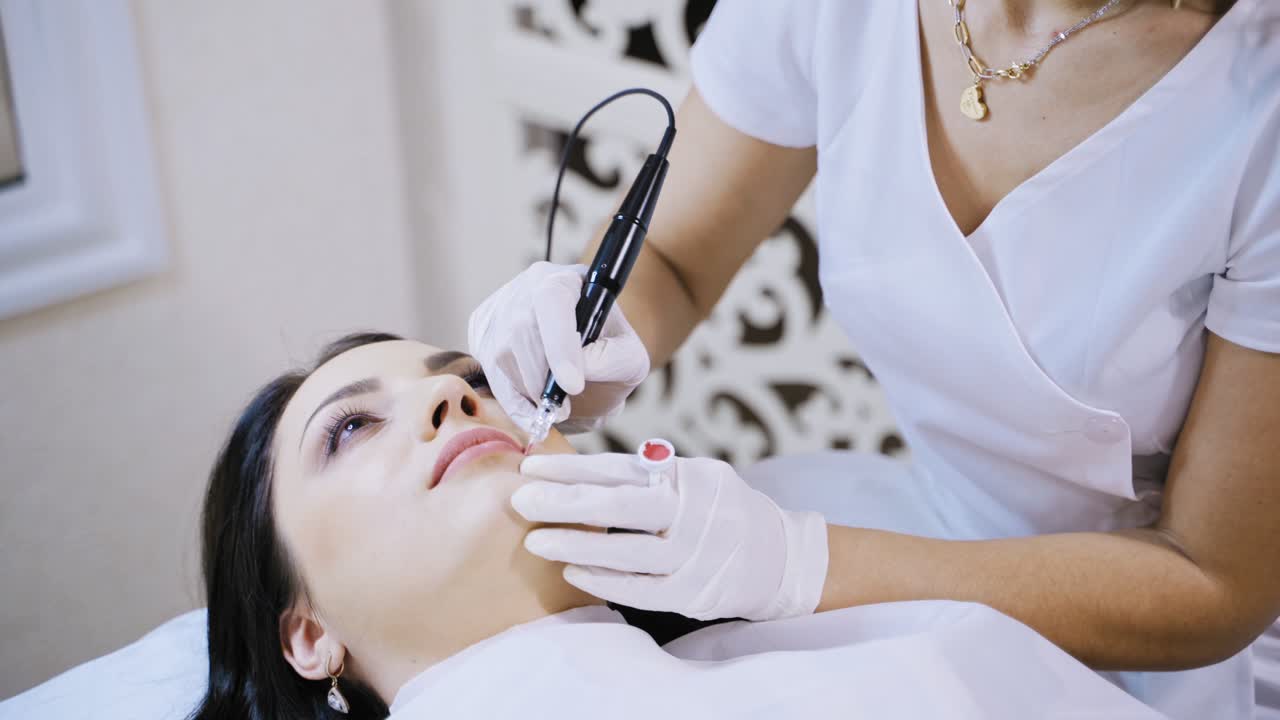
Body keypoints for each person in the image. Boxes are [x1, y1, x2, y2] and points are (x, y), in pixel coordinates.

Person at [467, 0, 1280, 717]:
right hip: (902, 533)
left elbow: (1213, 582)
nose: (447, 408)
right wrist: (598, 331)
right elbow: (674, 257)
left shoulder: (1257, 103)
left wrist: (803, 565)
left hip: (1160, 635)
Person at [186, 332, 1168, 720]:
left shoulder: (897, 644)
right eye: (351, 427)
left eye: (473, 380)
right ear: (308, 633)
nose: (451, 394)